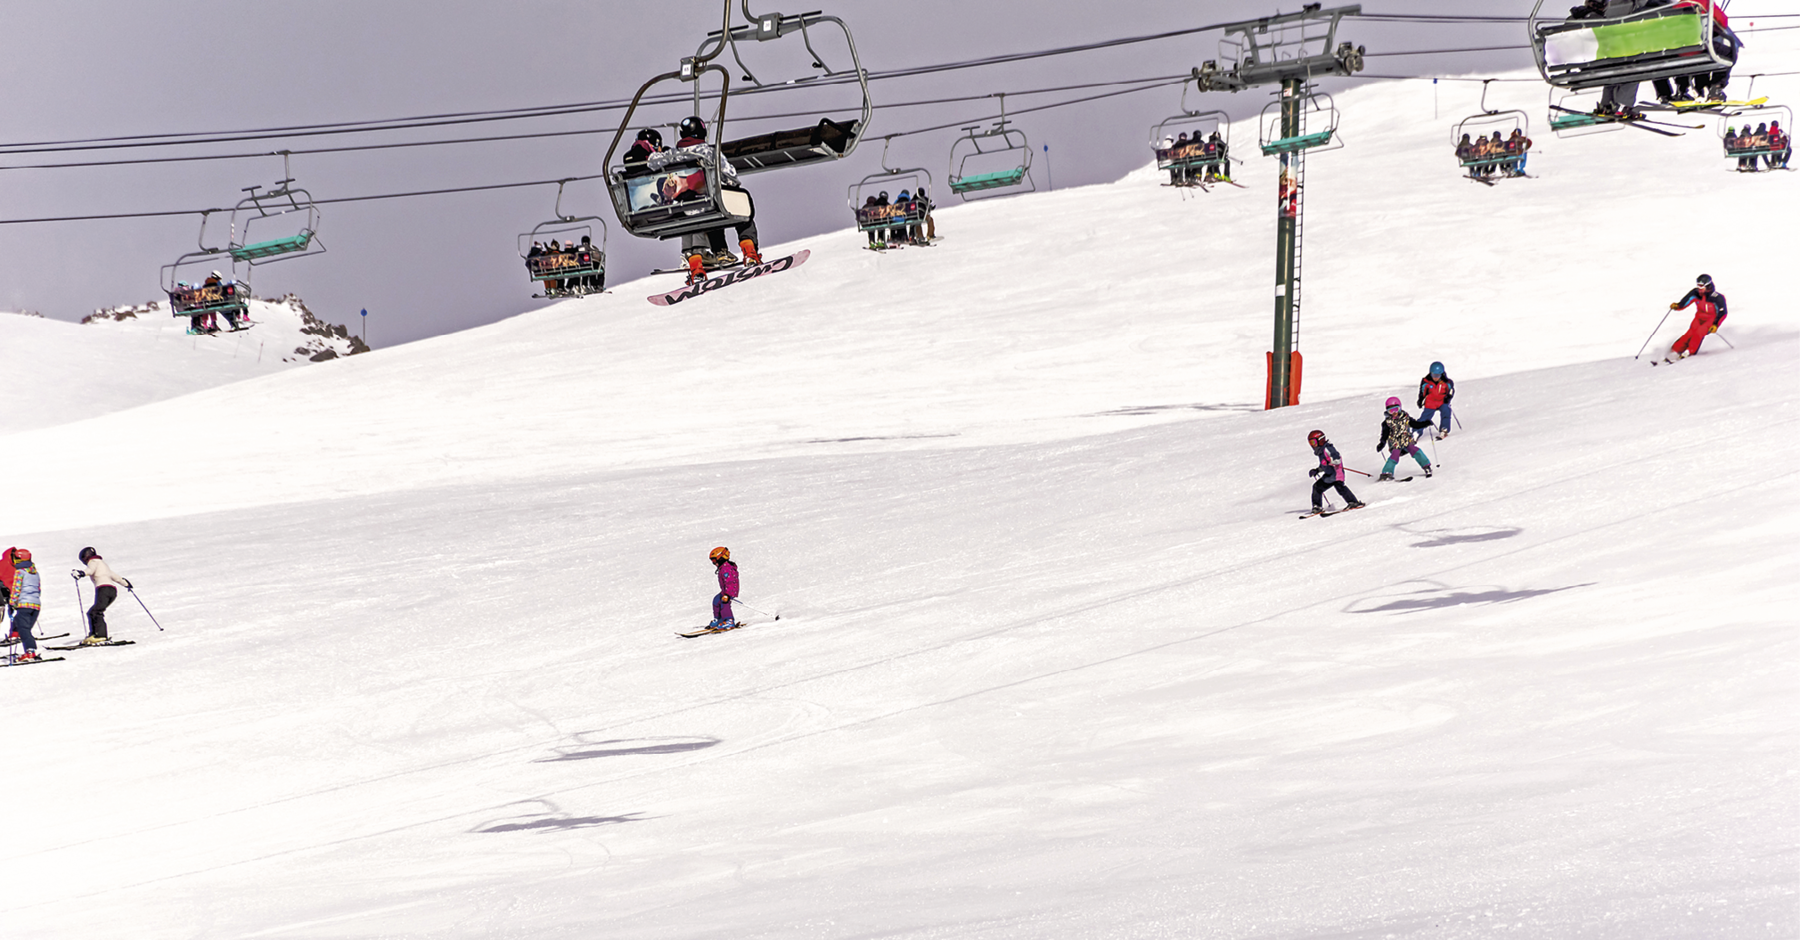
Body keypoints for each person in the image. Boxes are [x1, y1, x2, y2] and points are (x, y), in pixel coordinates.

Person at [649, 116, 763, 282]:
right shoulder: (709, 152)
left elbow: (652, 162)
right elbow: (731, 177)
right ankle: (749, 251)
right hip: (709, 205)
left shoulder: (672, 155)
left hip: (685, 209)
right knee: (740, 205)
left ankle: (700, 265)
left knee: (703, 218)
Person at [1663, 273, 1728, 363]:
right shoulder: (1696, 293)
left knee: (1699, 333)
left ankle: (1690, 351)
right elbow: (1685, 301)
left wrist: (1715, 325)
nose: (1699, 288)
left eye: (1701, 286)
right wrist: (1677, 306)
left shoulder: (1717, 298)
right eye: (1698, 285)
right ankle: (1674, 352)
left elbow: (1723, 313)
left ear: (1707, 285)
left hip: (1710, 319)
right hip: (1699, 318)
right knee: (1689, 334)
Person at [72, 546, 130, 645]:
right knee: (92, 612)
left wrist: (81, 573)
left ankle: (100, 635)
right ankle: (94, 634)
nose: (84, 562)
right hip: (112, 591)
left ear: (86, 557)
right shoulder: (103, 564)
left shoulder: (94, 562)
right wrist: (125, 583)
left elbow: (90, 570)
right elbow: (114, 576)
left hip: (104, 589)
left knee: (97, 612)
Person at [1375, 397, 1435, 481]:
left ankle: (1426, 466)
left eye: (1396, 409)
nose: (1394, 413)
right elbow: (1384, 435)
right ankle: (1386, 473)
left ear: (1400, 408)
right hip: (1395, 443)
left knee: (1415, 450)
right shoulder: (1386, 423)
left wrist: (1425, 423)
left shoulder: (1406, 418)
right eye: (1391, 411)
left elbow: (1415, 424)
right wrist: (1382, 443)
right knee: (1394, 456)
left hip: (1407, 440)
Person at [1306, 431, 1365, 514]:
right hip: (1329, 475)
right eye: (1310, 443)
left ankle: (1353, 502)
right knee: (1317, 487)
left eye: (1313, 442)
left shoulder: (1327, 449)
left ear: (1320, 440)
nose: (1312, 445)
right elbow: (1324, 465)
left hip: (1336, 473)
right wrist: (1317, 470)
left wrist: (1330, 461)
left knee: (1340, 488)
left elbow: (1337, 459)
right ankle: (1317, 507)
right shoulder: (1321, 452)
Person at [5, 548, 43, 663]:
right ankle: (30, 650)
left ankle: (30, 652)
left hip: (24, 605)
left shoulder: (20, 572)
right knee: (26, 630)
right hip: (36, 605)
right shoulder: (35, 572)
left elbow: (16, 589)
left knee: (23, 630)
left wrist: (12, 604)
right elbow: (39, 589)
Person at [1417, 362, 1456, 437]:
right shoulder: (1426, 382)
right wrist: (1420, 399)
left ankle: (1444, 429)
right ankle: (1417, 431)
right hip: (1431, 401)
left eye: (1437, 375)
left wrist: (1448, 398)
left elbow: (1451, 391)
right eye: (1433, 375)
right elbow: (1422, 391)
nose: (1435, 377)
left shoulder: (1447, 382)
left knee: (1446, 411)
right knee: (1425, 417)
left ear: (1442, 374)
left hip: (1442, 401)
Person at [707, 546, 739, 631]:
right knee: (716, 600)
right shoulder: (723, 568)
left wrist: (728, 594)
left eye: (714, 561)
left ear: (721, 558)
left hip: (730, 591)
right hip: (725, 591)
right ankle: (718, 619)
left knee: (724, 603)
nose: (714, 563)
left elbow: (730, 582)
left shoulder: (727, 569)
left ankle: (729, 620)